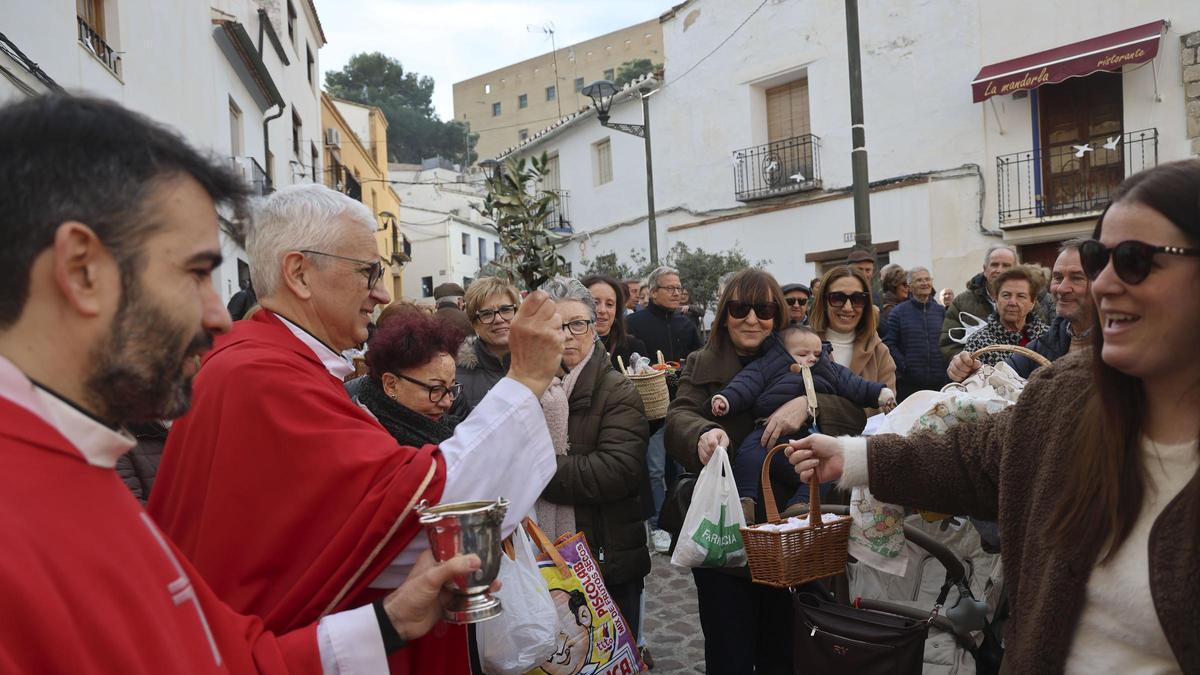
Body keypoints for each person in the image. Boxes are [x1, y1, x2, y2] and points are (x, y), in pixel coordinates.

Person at [0, 93, 488, 673]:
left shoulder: (74, 466)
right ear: (81, 270)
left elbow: (218, 659)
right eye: (196, 273)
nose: (216, 316)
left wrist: (389, 623)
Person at [788, 159, 1200, 674]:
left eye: (1135, 260)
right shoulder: (1065, 396)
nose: (1104, 284)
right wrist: (853, 455)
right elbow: (971, 457)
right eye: (1101, 259)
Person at [148, 184, 564, 675]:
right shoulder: (261, 377)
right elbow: (429, 512)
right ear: (300, 273)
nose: (383, 293)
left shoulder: (266, 365)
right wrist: (526, 380)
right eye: (369, 271)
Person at [663, 269, 868, 674]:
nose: (752, 319)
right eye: (740, 308)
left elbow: (854, 410)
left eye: (764, 309)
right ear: (725, 313)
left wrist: (808, 405)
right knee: (729, 654)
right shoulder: (702, 361)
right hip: (729, 530)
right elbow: (678, 417)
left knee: (785, 653)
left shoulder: (804, 355)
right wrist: (703, 433)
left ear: (778, 316)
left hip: (792, 534)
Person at [535, 277, 651, 638]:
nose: (568, 334)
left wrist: (534, 470)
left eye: (578, 324)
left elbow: (616, 471)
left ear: (594, 329)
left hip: (605, 560)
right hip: (548, 561)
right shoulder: (533, 389)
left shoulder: (617, 391)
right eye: (557, 325)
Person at [711, 325, 895, 521]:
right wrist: (726, 399)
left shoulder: (828, 370)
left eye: (817, 353)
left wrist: (880, 394)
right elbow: (747, 382)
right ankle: (743, 501)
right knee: (749, 454)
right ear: (783, 352)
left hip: (808, 436)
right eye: (803, 353)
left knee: (821, 468)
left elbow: (855, 384)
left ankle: (800, 505)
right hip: (768, 430)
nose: (812, 358)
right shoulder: (770, 365)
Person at [626, 265, 704, 552]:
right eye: (670, 288)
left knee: (684, 466)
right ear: (654, 292)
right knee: (656, 468)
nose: (676, 292)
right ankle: (658, 526)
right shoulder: (636, 323)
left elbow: (699, 358)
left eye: (679, 288)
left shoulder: (686, 325)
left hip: (684, 405)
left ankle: (684, 521)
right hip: (652, 409)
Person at [948, 239, 1095, 382]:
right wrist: (972, 372)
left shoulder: (1113, 345)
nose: (1062, 288)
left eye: (1077, 278)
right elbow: (1001, 380)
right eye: (1057, 277)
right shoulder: (1046, 342)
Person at [809, 266, 897, 414]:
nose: (848, 307)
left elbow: (889, 413)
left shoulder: (879, 351)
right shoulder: (800, 345)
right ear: (823, 301)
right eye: (837, 298)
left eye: (857, 299)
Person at [940, 245, 1018, 361]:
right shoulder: (961, 303)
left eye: (1006, 266)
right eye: (994, 265)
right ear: (985, 269)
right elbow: (949, 344)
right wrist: (967, 363)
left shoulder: (1032, 300)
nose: (999, 270)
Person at [961, 265, 1050, 365]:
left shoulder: (1048, 337)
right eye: (1006, 295)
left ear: (1032, 302)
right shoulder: (978, 341)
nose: (1012, 302)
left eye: (1021, 296)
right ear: (996, 299)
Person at [884, 266, 948, 400]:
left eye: (927, 279)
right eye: (919, 280)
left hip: (940, 383)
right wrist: (904, 365)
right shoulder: (898, 312)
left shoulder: (941, 311)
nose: (925, 283)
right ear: (910, 286)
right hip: (909, 386)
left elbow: (948, 341)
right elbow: (889, 343)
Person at [457, 276, 521, 408]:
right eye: (486, 314)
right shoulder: (457, 376)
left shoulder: (539, 364)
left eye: (505, 310)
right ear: (474, 323)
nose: (498, 319)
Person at [582, 274, 647, 371]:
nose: (602, 310)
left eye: (609, 304)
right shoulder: (566, 346)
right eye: (595, 302)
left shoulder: (634, 347)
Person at [877, 263, 908, 335]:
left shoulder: (907, 304)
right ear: (893, 286)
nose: (907, 287)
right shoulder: (888, 309)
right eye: (904, 284)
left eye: (908, 284)